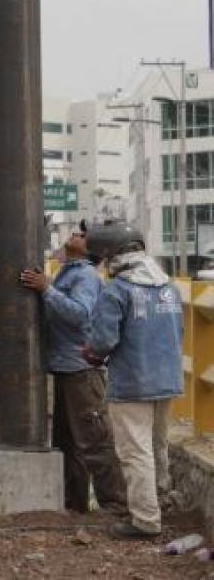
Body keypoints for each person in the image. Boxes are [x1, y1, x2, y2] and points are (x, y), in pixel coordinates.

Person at [82, 221, 183, 540]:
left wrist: (92, 353)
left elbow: (102, 342)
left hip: (132, 384)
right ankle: (160, 499)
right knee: (157, 445)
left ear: (110, 257)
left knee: (135, 451)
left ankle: (145, 520)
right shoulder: (170, 287)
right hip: (166, 378)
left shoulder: (118, 291)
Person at [20, 226, 127, 515]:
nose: (74, 235)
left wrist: (46, 289)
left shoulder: (85, 276)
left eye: (81, 234)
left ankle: (115, 505)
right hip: (67, 368)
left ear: (91, 249)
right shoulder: (69, 271)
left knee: (93, 441)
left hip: (81, 370)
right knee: (68, 443)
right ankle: (74, 503)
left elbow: (80, 314)